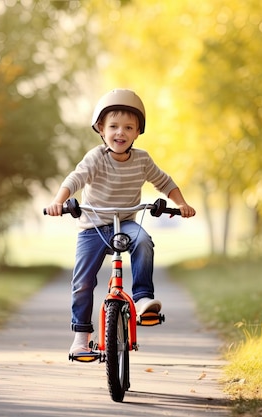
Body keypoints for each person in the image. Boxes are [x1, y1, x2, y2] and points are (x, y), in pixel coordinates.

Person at [45, 88, 196, 355]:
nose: (120, 133)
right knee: (82, 281)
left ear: (138, 132)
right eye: (113, 126)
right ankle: (81, 336)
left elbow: (165, 182)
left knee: (143, 241)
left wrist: (181, 203)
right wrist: (59, 200)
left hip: (125, 221)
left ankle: (142, 299)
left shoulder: (142, 160)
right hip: (92, 226)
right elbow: (74, 179)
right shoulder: (96, 158)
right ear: (101, 129)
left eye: (128, 127)